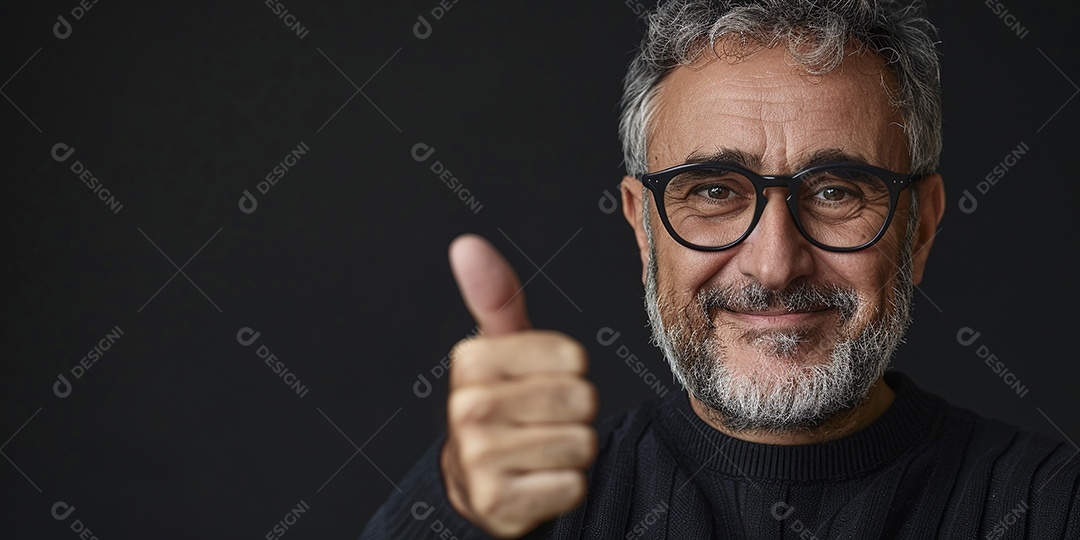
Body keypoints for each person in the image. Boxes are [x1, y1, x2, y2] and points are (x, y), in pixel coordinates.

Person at [361, 1, 1080, 538]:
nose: (774, 266)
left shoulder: (1050, 507)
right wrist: (451, 509)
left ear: (918, 227)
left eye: (834, 191)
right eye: (713, 192)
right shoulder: (533, 509)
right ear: (643, 225)